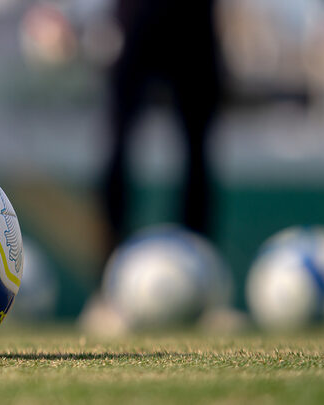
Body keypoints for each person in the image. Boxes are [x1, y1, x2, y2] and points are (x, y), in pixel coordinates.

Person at [102, 0, 223, 266]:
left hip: (193, 20)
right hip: (137, 16)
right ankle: (107, 276)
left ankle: (199, 268)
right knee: (116, 145)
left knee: (199, 153)